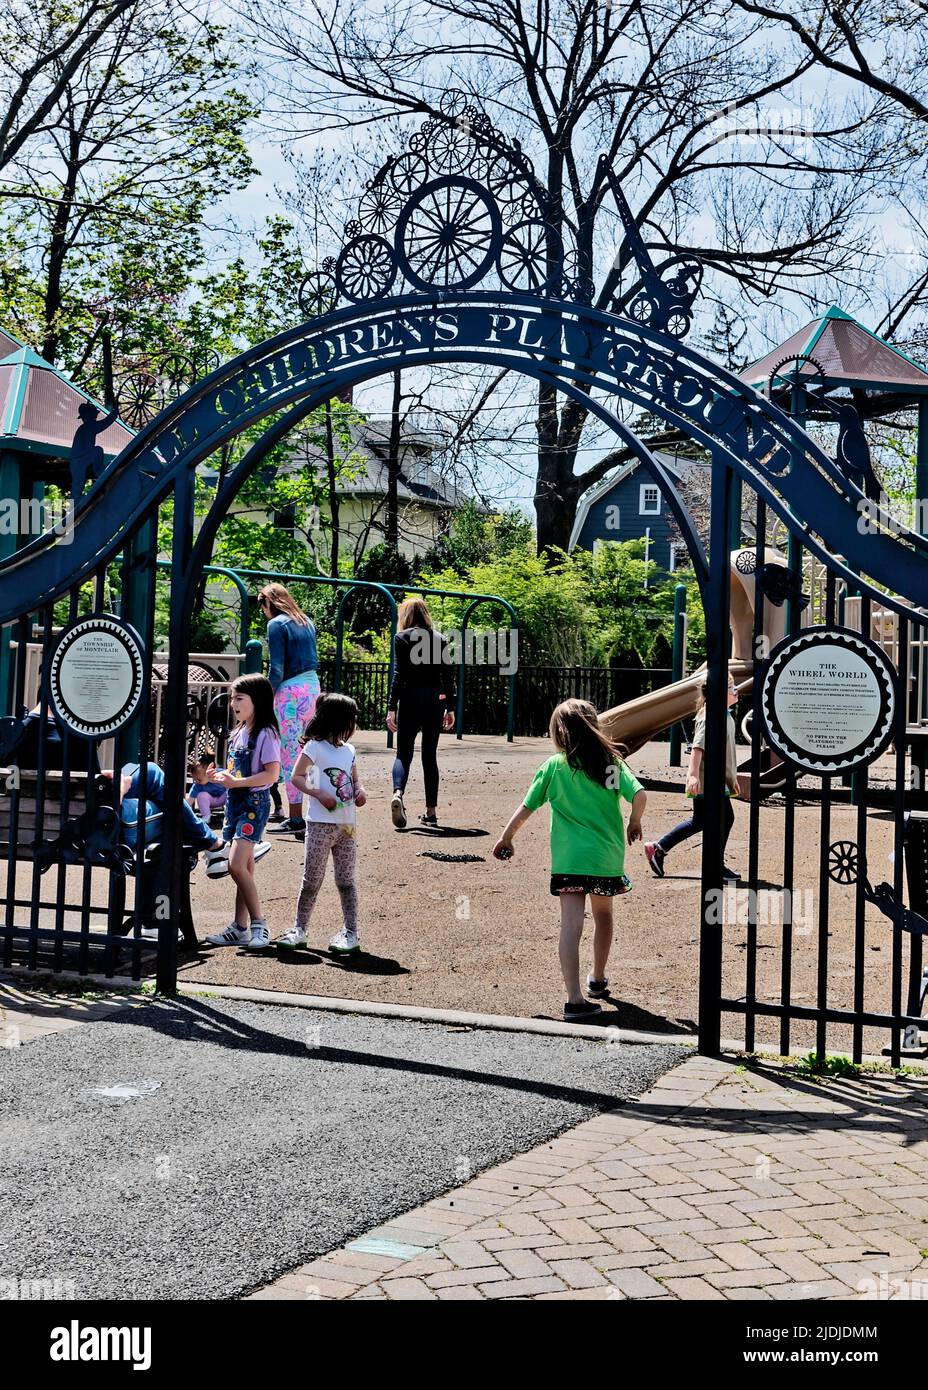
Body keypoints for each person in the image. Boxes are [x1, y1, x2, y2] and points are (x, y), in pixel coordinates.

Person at [493, 698, 646, 1022]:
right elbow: (639, 794)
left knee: (570, 926)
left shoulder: (554, 766)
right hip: (605, 858)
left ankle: (574, 998)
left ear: (559, 733)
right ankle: (598, 978)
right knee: (603, 916)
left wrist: (506, 838)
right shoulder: (609, 764)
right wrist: (634, 821)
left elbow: (527, 807)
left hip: (568, 860)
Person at [275, 693, 367, 955]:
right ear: (339, 720)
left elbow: (355, 780)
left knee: (346, 881)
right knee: (311, 880)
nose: (354, 723)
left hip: (347, 825)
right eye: (352, 718)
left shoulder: (349, 750)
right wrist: (318, 793)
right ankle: (299, 930)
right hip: (319, 824)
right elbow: (297, 777)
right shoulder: (314, 747)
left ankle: (351, 933)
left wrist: (361, 792)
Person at [205, 674, 281, 950]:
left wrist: (236, 782)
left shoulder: (266, 733)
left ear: (256, 701)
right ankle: (239, 926)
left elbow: (272, 774)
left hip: (253, 805)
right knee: (243, 868)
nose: (233, 704)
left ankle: (259, 924)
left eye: (239, 698)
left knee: (236, 865)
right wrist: (221, 776)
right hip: (235, 804)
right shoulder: (239, 731)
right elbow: (238, 772)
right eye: (232, 698)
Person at [644, 673, 740, 882]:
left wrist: (732, 778)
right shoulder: (711, 716)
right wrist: (693, 775)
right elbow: (697, 747)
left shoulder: (724, 714)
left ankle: (659, 848)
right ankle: (714, 864)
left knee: (702, 820)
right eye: (732, 687)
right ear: (720, 693)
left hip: (716, 780)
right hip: (708, 780)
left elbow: (727, 753)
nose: (736, 690)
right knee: (719, 819)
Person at [386, 598, 455, 829]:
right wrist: (451, 707)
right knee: (429, 756)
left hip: (410, 698)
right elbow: (448, 676)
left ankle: (398, 793)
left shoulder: (401, 638)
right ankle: (431, 812)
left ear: (406, 616)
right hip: (434, 700)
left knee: (403, 753)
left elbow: (398, 675)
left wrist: (391, 707)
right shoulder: (440, 639)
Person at [259, 583, 320, 838]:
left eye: (262, 607)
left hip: (290, 696)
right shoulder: (306, 621)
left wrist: (263, 696)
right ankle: (316, 813)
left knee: (290, 755)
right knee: (312, 752)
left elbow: (277, 668)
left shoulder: (276, 625)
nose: (262, 612)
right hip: (313, 689)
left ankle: (295, 818)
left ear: (268, 602)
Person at [186, 750, 227, 822]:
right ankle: (206, 816)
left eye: (199, 779)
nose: (196, 782)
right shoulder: (198, 785)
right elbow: (189, 801)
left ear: (208, 772)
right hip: (211, 801)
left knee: (231, 791)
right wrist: (183, 812)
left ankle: (229, 814)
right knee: (201, 795)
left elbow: (232, 777)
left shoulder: (219, 774)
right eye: (195, 779)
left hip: (224, 798)